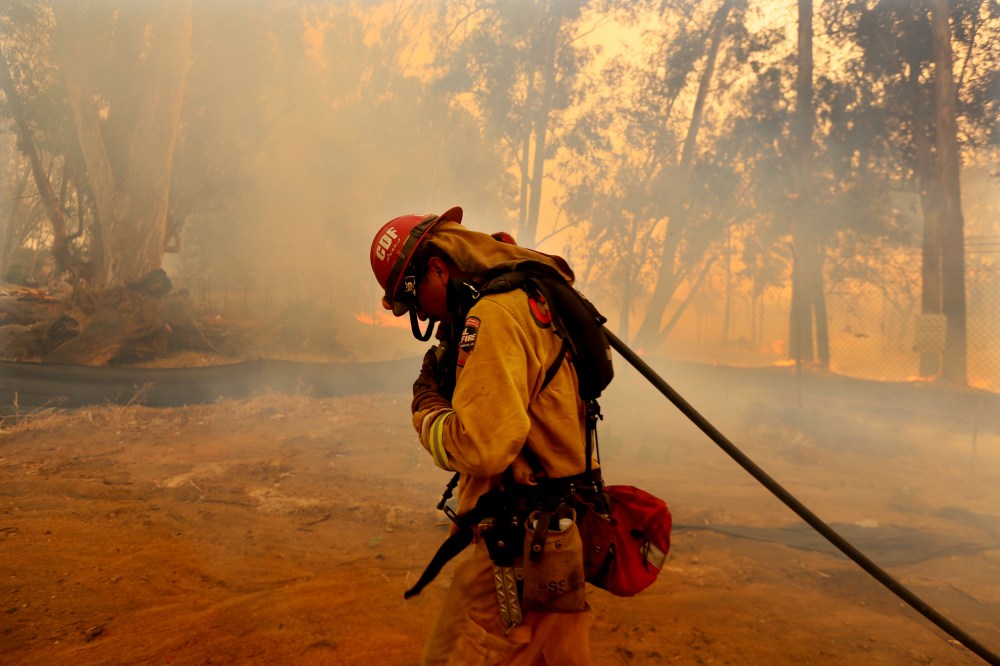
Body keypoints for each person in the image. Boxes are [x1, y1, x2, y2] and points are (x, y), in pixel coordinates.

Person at [369, 206, 597, 665]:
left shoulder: (493, 315)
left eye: (412, 299)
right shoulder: (532, 298)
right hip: (558, 539)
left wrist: (427, 407)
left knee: (456, 653)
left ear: (437, 268)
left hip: (513, 546)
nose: (418, 313)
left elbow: (483, 447)